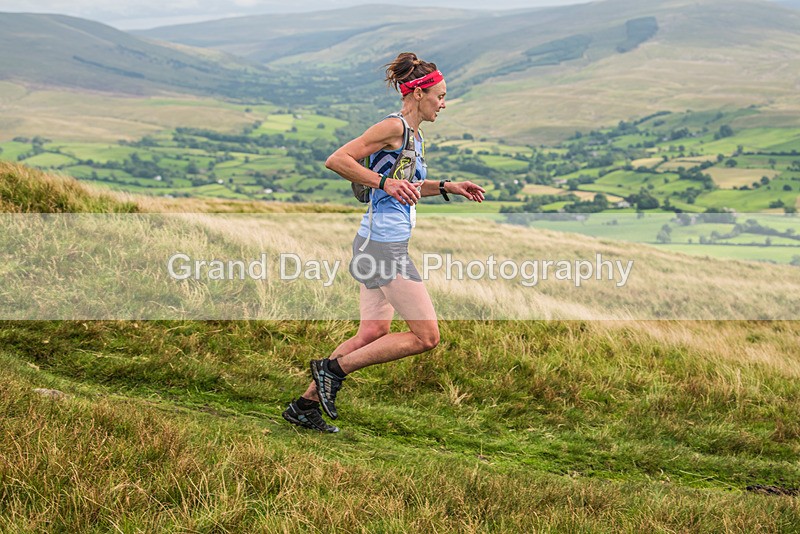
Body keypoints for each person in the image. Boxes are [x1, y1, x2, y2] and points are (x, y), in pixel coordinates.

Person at [282, 52, 485, 433]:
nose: (444, 103)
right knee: (426, 337)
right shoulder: (391, 127)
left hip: (377, 242)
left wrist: (445, 187)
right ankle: (332, 370)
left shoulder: (413, 135)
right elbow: (337, 160)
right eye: (440, 95)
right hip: (382, 248)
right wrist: (384, 183)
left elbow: (404, 187)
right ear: (419, 93)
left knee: (372, 333)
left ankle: (303, 407)